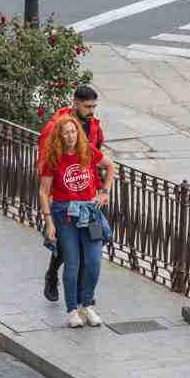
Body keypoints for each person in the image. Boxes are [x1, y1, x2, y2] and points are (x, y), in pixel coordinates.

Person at [39, 115, 115, 329]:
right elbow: (44, 192)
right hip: (65, 214)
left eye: (73, 132)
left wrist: (104, 192)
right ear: (59, 136)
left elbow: (110, 167)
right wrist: (49, 222)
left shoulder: (88, 150)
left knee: (93, 262)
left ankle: (87, 304)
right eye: (66, 133)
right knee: (72, 262)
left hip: (90, 213)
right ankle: (72, 309)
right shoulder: (53, 158)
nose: (71, 136)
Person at [37, 85, 106, 303]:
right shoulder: (56, 127)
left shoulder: (93, 125)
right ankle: (52, 276)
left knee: (89, 240)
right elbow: (46, 160)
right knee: (65, 244)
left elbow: (98, 154)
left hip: (87, 192)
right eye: (87, 106)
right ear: (75, 104)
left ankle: (82, 291)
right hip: (61, 192)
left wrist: (102, 189)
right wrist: (49, 198)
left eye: (94, 106)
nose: (92, 110)